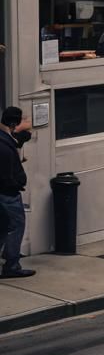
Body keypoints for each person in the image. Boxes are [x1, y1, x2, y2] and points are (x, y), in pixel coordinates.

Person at [0, 106, 34, 278]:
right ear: (13, 124)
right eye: (23, 123)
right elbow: (6, 176)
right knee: (15, 226)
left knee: (3, 227)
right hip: (8, 195)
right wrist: (16, 185)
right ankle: (11, 265)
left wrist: (19, 143)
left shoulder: (6, 140)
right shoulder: (4, 147)